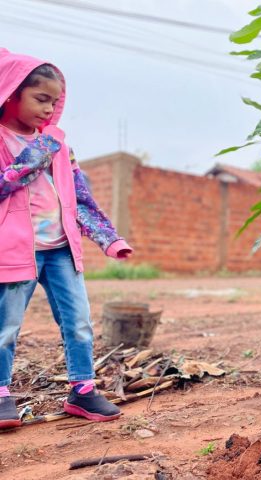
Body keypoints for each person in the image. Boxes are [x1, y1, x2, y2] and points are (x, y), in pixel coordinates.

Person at [0, 49, 133, 429]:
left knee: (78, 321)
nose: (49, 109)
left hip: (60, 250)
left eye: (54, 102)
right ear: (11, 93)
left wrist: (109, 240)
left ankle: (83, 390)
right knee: (6, 325)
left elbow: (80, 199)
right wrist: (29, 161)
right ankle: (1, 394)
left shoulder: (59, 143)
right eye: (40, 99)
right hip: (15, 251)